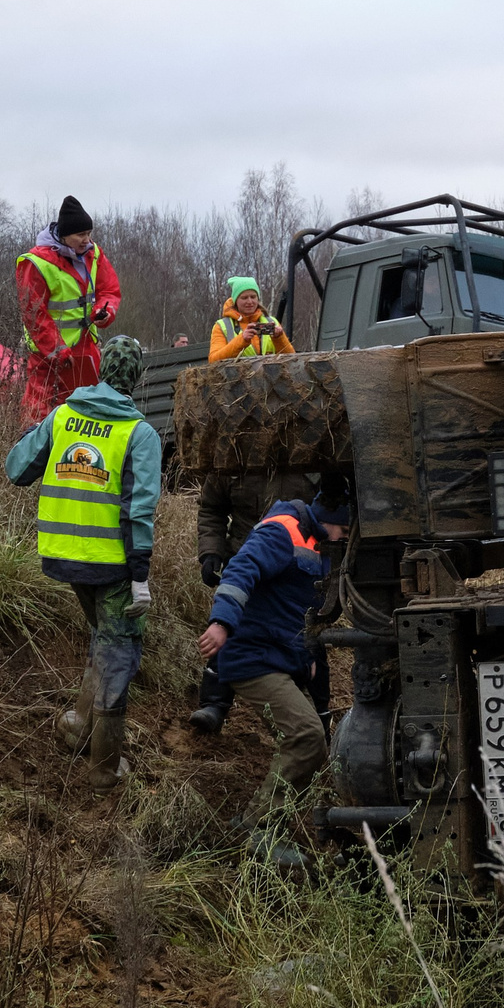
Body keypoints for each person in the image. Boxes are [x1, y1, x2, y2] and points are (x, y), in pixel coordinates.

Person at [6, 335, 160, 789]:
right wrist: (140, 576)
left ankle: (76, 727)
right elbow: (139, 508)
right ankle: (104, 769)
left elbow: (16, 468)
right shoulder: (140, 433)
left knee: (102, 637)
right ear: (134, 379)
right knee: (119, 653)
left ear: (99, 372)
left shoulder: (63, 415)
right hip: (112, 565)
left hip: (62, 557)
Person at [190, 276, 318, 736]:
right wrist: (211, 552)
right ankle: (214, 705)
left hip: (295, 567)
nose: (267, 421)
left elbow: (327, 516)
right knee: (231, 623)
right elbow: (210, 510)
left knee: (305, 635)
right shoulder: (231, 456)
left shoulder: (304, 457)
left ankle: (316, 713)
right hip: (246, 555)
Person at [198, 491, 350, 823]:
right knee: (306, 736)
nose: (346, 541)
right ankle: (260, 828)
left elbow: (304, 619)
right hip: (252, 657)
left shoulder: (322, 544)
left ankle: (259, 826)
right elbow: (241, 568)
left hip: (279, 657)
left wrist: (309, 669)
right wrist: (222, 622)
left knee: (314, 743)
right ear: (332, 522)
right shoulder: (283, 530)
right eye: (346, 532)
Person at [17, 195, 123, 421]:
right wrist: (57, 350)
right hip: (48, 356)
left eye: (89, 234)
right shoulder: (36, 262)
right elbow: (34, 315)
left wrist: (104, 312)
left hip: (85, 351)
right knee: (42, 420)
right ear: (64, 236)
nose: (87, 240)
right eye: (81, 235)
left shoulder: (94, 254)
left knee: (89, 415)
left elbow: (110, 291)